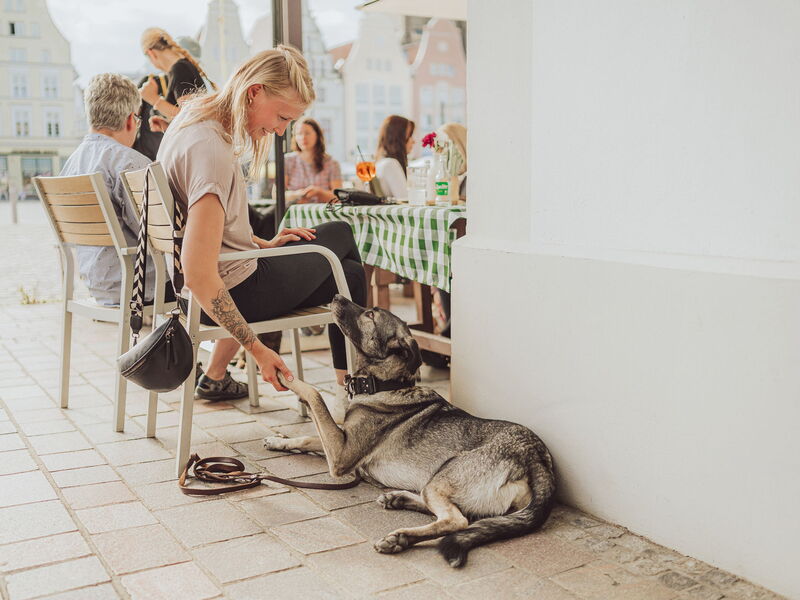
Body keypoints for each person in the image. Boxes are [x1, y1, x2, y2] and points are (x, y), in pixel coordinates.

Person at [157, 46, 367, 417]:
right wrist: (257, 349)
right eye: (282, 117)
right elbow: (199, 272)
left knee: (348, 274)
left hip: (214, 282)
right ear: (254, 92)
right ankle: (354, 394)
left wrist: (259, 243)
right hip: (236, 290)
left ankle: (349, 392)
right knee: (341, 233)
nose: (281, 130)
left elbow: (200, 226)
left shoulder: (191, 118)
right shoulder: (212, 151)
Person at [60, 73, 171, 307]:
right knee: (216, 271)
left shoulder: (71, 164)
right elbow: (160, 237)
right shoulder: (130, 162)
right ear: (131, 120)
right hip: (142, 286)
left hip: (97, 283)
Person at [139, 28, 216, 134]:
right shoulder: (181, 69)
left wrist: (154, 99)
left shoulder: (180, 70)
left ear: (151, 54)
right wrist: (167, 126)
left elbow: (191, 117)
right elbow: (189, 117)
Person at [285, 117, 342, 204]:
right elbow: (277, 194)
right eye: (299, 134)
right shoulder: (287, 161)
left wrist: (319, 193)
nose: (303, 137)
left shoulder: (332, 163)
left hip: (323, 211)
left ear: (318, 135)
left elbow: (339, 197)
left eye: (307, 133)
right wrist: (298, 194)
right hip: (293, 211)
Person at [375, 115, 416, 199]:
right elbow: (405, 199)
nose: (413, 141)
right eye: (410, 135)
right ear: (398, 138)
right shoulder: (391, 164)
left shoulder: (381, 162)